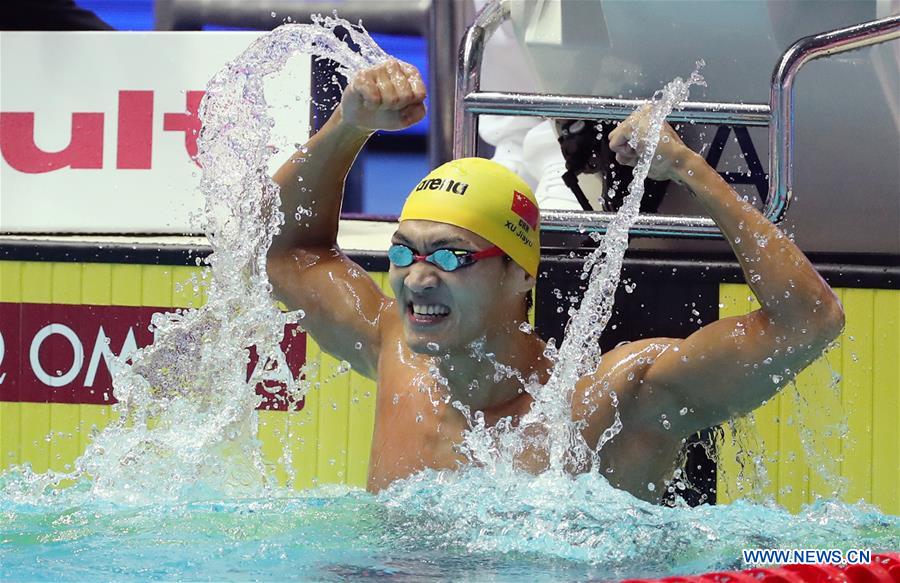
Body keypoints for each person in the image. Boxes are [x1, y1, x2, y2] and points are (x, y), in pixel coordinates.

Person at [266, 59, 844, 501]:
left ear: (519, 274)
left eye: (449, 257)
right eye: (403, 252)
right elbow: (287, 248)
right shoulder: (395, 349)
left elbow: (810, 322)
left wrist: (689, 170)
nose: (416, 278)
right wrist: (347, 126)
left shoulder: (609, 401)